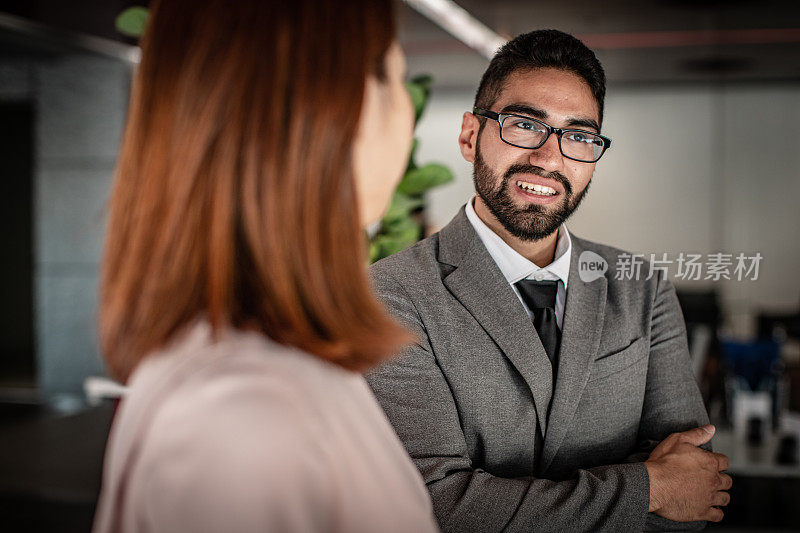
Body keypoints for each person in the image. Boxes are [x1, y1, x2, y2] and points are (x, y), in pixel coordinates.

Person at [366, 29, 732, 532]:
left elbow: (694, 495)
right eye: (523, 125)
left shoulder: (641, 287)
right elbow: (438, 506)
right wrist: (650, 488)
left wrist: (671, 492)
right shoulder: (391, 294)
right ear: (471, 136)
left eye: (579, 136)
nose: (548, 157)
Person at [93, 1, 438, 532]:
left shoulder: (259, 374)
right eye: (396, 78)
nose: (408, 114)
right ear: (348, 105)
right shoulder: (245, 416)